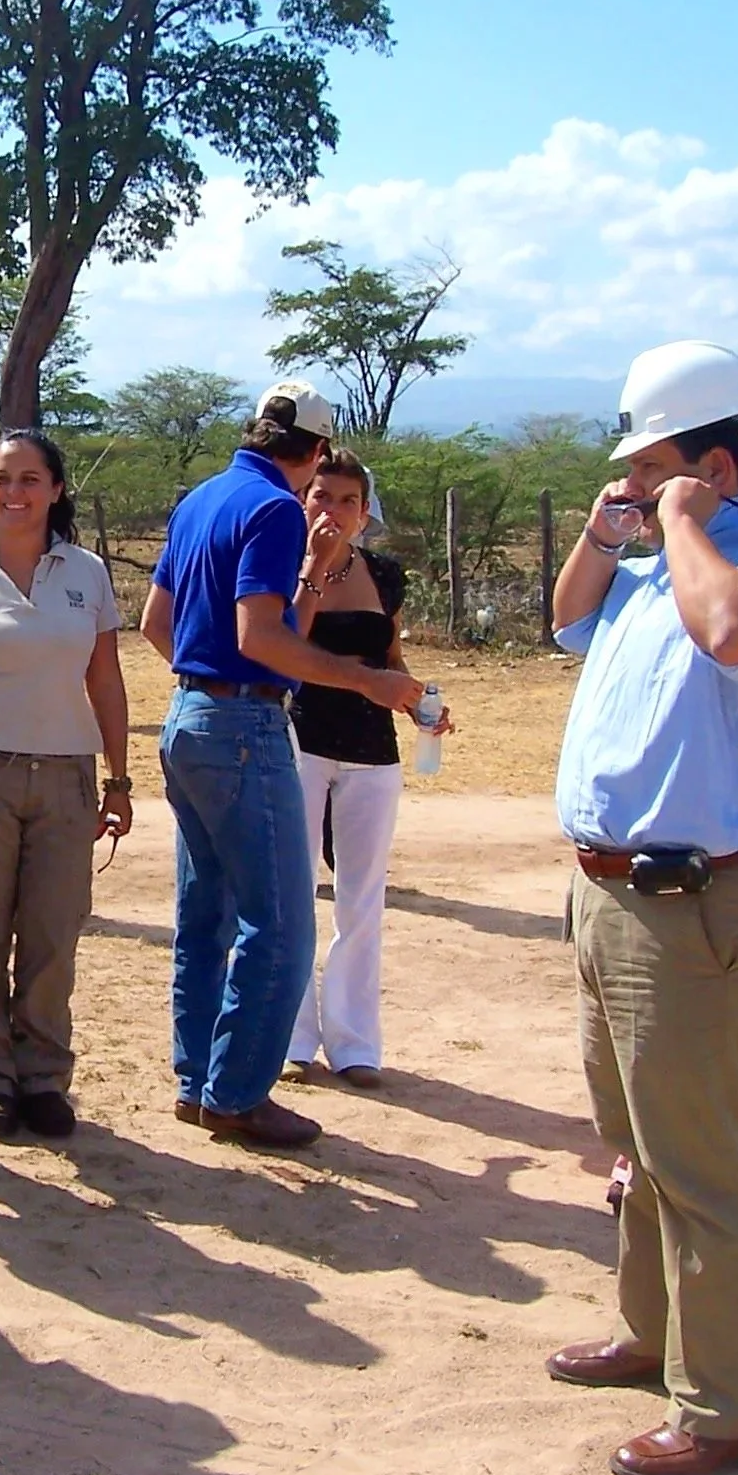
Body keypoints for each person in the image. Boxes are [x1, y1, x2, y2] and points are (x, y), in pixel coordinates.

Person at [544, 340, 738, 1475]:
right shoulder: (658, 566)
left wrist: (677, 520)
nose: (628, 484)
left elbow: (733, 635)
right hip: (612, 895)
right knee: (639, 1148)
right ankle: (652, 1334)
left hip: (696, 906)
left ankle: (725, 1412)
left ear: (714, 469)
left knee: (708, 1167)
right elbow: (568, 619)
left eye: (648, 467)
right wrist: (607, 531)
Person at [139, 381, 415, 1150]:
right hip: (243, 727)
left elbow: (156, 621)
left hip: (189, 718)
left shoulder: (201, 500)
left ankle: (199, 1080)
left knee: (206, 913)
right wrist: (364, 680)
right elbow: (261, 636)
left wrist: (207, 678)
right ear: (316, 452)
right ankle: (237, 1094)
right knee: (283, 921)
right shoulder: (273, 509)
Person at [0, 430, 131, 1140]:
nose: (13, 493)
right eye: (1, 479)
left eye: (29, 479)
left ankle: (44, 1076)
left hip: (66, 773)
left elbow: (105, 680)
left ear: (56, 489)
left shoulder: (87, 572)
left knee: (53, 933)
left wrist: (119, 779)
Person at [282, 449, 449, 1091]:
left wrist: (419, 703)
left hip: (372, 749)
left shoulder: (383, 574)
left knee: (362, 897)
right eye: (322, 496)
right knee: (292, 890)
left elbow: (391, 658)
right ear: (303, 499)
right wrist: (315, 565)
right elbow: (282, 647)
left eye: (348, 501)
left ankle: (354, 1042)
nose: (334, 510)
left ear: (364, 510)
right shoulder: (281, 566)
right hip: (298, 740)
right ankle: (292, 1038)